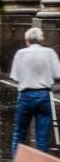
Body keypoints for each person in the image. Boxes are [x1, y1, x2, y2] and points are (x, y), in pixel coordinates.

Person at [10, 27, 60, 155]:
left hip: (26, 95)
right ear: (42, 39)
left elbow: (15, 77)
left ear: (27, 40)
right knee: (42, 137)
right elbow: (58, 75)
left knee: (19, 134)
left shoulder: (20, 54)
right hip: (44, 95)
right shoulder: (50, 53)